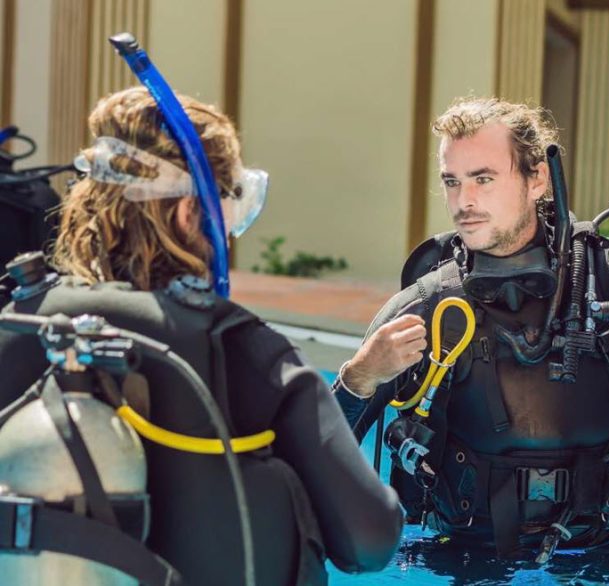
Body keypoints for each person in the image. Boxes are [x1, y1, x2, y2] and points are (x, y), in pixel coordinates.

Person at [0, 85, 403, 585]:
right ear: (188, 212)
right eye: (233, 200)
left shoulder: (19, 324)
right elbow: (371, 539)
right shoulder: (245, 351)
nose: (231, 229)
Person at [335, 97, 609, 560]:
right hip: (464, 560)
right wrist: (359, 377)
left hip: (603, 559)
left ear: (537, 178)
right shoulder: (425, 307)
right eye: (452, 181)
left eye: (483, 178)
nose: (465, 201)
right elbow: (317, 454)